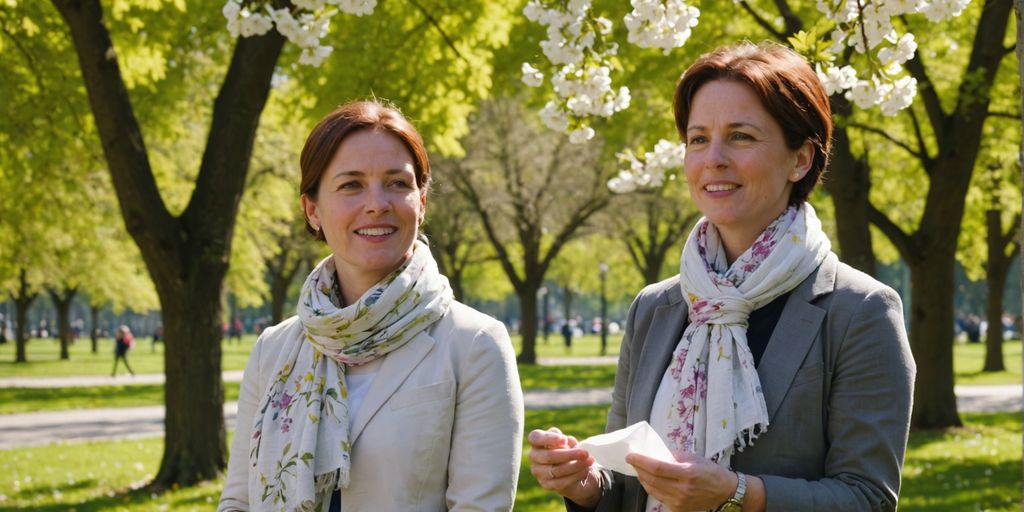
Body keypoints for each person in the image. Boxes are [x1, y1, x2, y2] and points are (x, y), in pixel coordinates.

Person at [528, 42, 916, 512]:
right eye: (697, 139)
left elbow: (868, 499)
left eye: (740, 137)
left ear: (801, 159)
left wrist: (738, 493)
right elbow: (625, 489)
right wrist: (586, 483)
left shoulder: (860, 311)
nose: (713, 158)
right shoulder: (654, 308)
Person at [219, 100, 524, 512]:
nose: (377, 203)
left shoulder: (474, 345)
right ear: (312, 211)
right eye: (351, 185)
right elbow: (239, 500)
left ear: (422, 201)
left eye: (398, 183)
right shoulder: (273, 350)